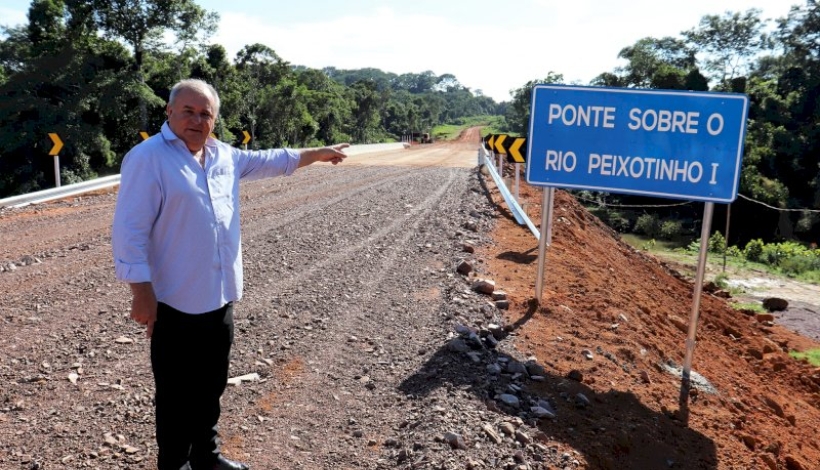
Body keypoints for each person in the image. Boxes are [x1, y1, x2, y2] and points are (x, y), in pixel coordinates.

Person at [112, 78, 348, 470]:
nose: (197, 119)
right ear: (169, 112)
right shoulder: (147, 158)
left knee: (210, 385)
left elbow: (276, 160)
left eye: (206, 113)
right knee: (174, 393)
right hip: (174, 298)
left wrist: (318, 153)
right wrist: (141, 290)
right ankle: (173, 464)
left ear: (214, 120)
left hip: (220, 294)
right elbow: (129, 230)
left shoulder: (224, 156)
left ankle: (207, 457)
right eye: (188, 110)